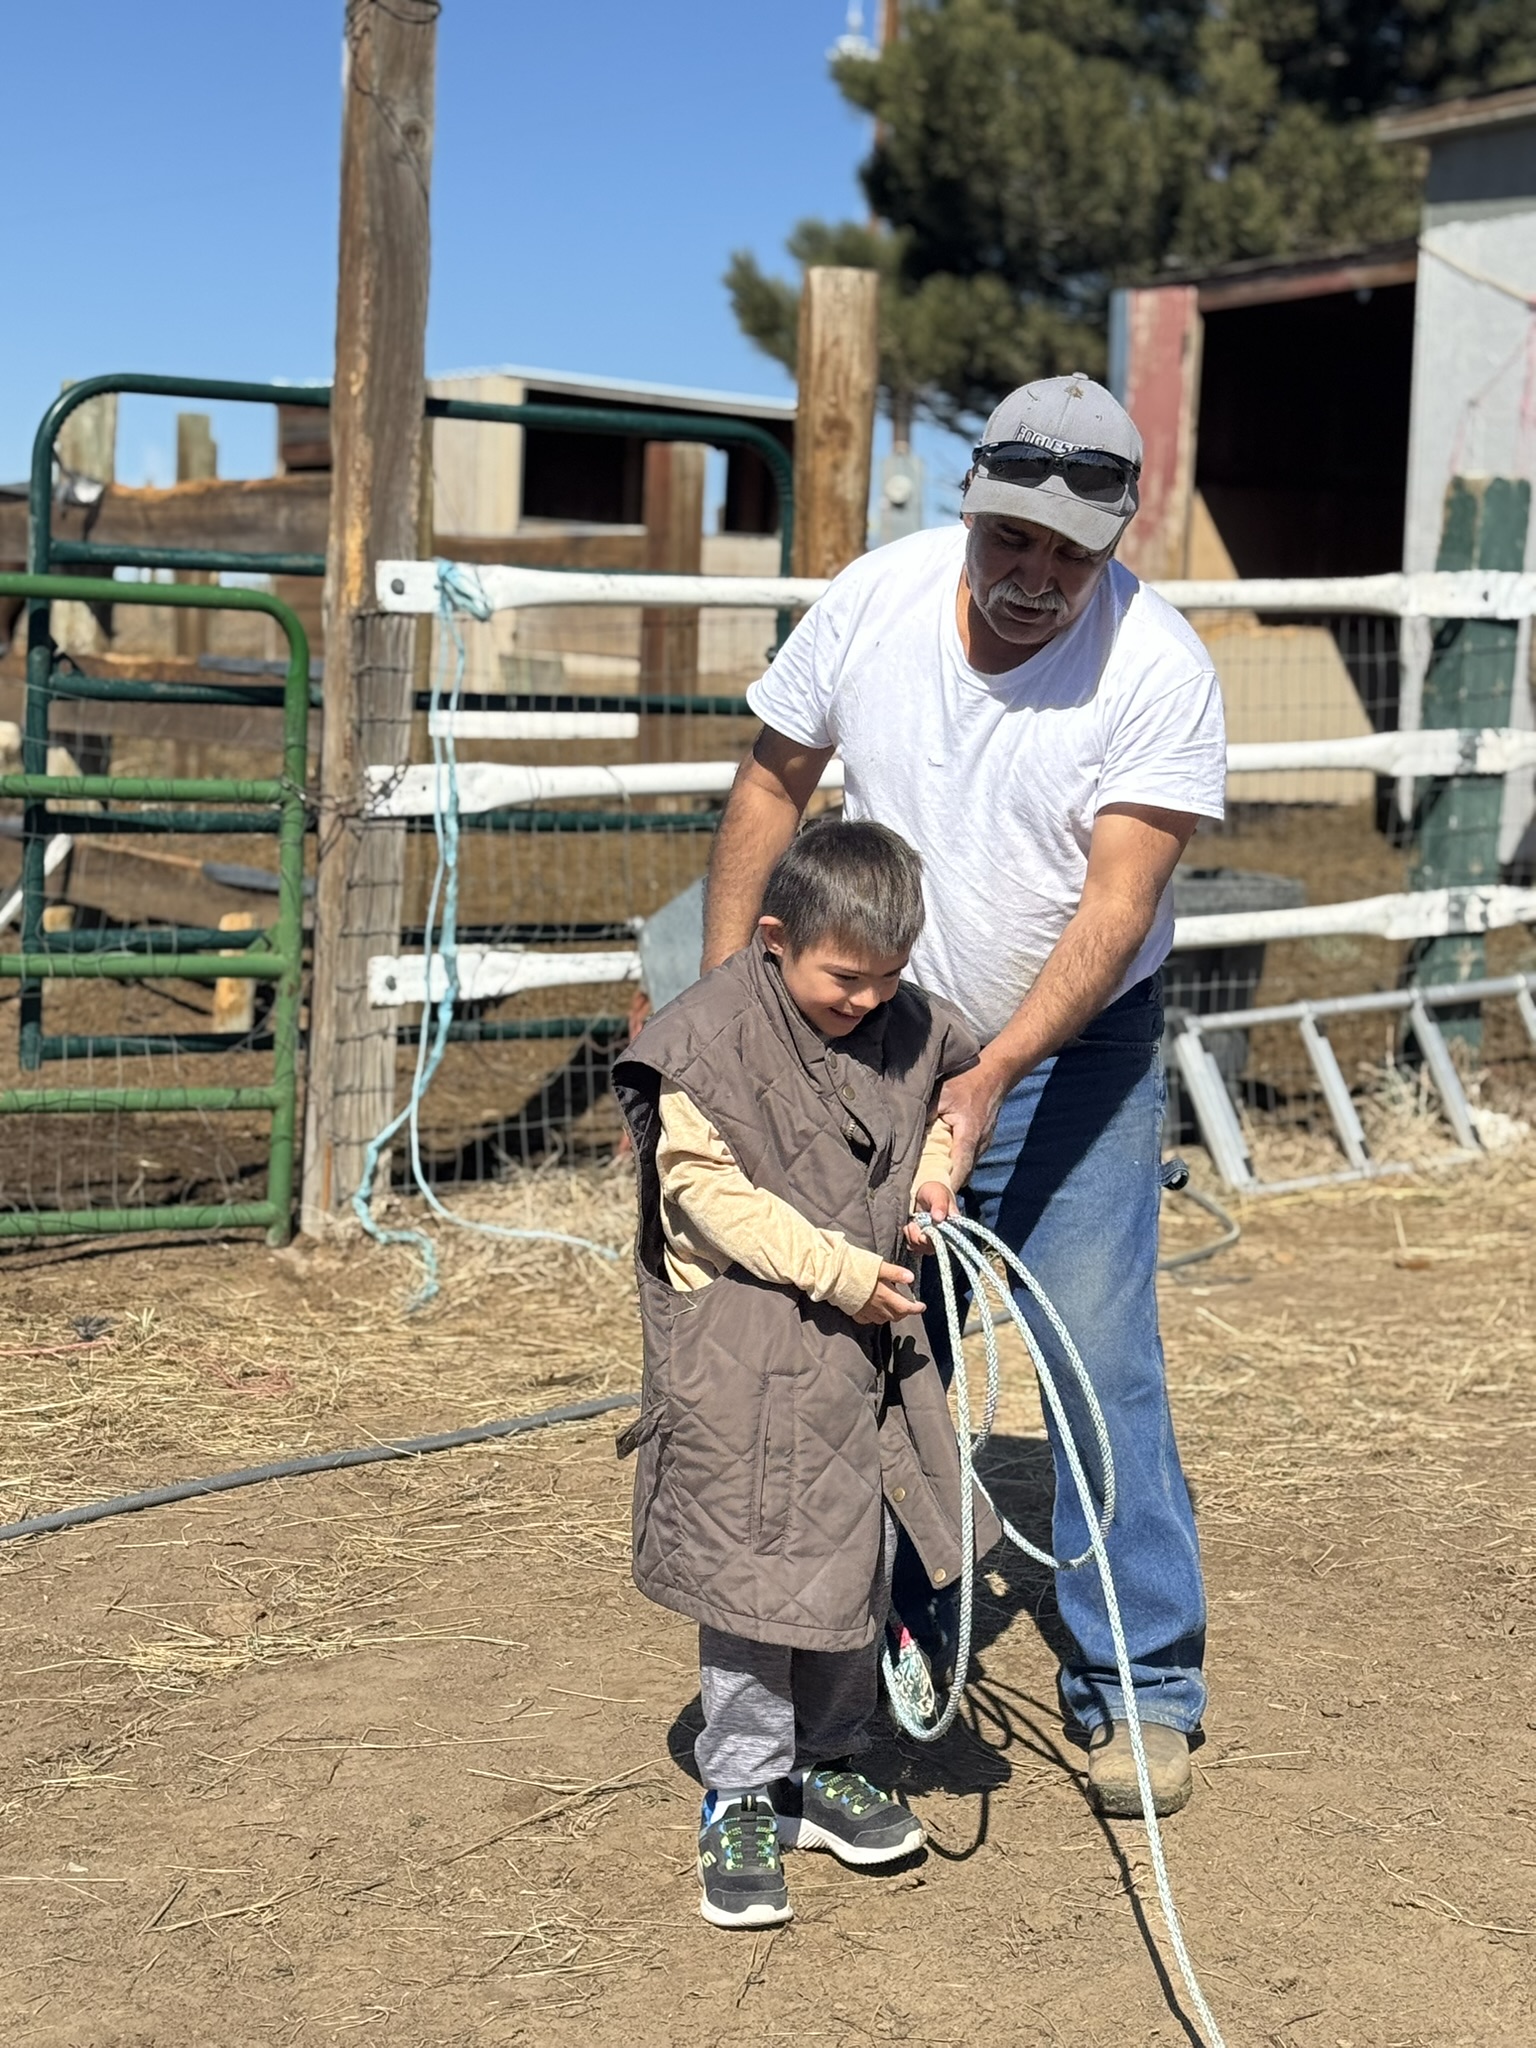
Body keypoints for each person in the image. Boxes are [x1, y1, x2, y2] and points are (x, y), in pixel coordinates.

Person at [701, 374, 1228, 1819]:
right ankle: (841, 1664)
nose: (1033, 577)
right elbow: (769, 785)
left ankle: (1138, 1685)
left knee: (1093, 1349)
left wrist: (993, 1076)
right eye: (1013, 538)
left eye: (1071, 551)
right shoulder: (874, 600)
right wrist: (730, 1019)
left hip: (1073, 1056)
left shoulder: (1159, 669)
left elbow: (1118, 907)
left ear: (1114, 540)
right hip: (878, 1038)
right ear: (973, 509)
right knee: (852, 1348)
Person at [612, 819, 995, 1929]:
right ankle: (740, 1786)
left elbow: (944, 1105)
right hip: (744, 1353)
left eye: (890, 977)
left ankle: (827, 1758)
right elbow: (707, 1196)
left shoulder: (905, 1023)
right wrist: (836, 1266)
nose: (869, 1000)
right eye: (845, 975)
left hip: (861, 1351)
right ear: (776, 938)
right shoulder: (705, 1038)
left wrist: (935, 1174)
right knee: (749, 1575)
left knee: (854, 1560)